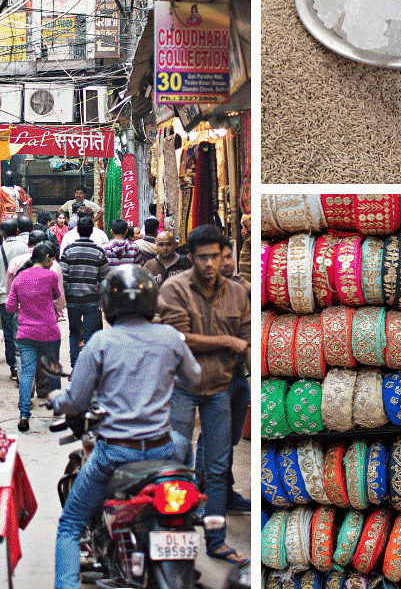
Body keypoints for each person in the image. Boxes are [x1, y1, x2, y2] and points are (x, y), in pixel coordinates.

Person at [50, 264, 202, 589]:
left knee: (70, 524)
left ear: (107, 304)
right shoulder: (170, 337)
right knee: (183, 445)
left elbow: (76, 401)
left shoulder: (100, 341)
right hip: (162, 446)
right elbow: (196, 377)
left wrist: (56, 398)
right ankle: (188, 518)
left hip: (116, 452)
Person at [158, 225, 250, 565]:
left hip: (220, 390)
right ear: (191, 258)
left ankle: (216, 539)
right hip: (181, 389)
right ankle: (176, 533)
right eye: (203, 257)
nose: (210, 263)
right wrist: (229, 343)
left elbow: (247, 339)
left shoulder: (238, 294)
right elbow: (180, 338)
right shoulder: (174, 289)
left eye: (215, 256)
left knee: (217, 466)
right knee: (177, 463)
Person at [194, 237, 251, 513]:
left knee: (228, 438)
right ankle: (203, 493)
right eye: (220, 257)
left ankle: (222, 490)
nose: (225, 263)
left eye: (228, 257)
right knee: (212, 436)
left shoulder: (239, 289)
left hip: (238, 373)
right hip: (214, 375)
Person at [6, 243, 64, 432]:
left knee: (27, 373)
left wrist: (23, 309)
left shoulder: (20, 276)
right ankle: (56, 409)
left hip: (25, 332)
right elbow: (56, 295)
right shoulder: (51, 275)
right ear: (47, 257)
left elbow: (10, 307)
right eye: (52, 258)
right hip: (48, 330)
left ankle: (24, 414)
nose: (53, 262)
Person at [61, 215, 109, 366]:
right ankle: (87, 367)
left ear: (78, 231)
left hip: (73, 299)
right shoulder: (99, 252)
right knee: (89, 335)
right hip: (92, 300)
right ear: (91, 231)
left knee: (74, 333)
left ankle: (75, 366)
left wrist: (64, 298)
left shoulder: (69, 251)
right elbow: (104, 278)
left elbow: (63, 277)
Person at [0, 218, 29, 380]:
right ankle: (24, 364)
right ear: (18, 231)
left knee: (8, 334)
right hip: (23, 298)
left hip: (3, 297)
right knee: (23, 331)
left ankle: (13, 366)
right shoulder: (24, 248)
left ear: (3, 233)